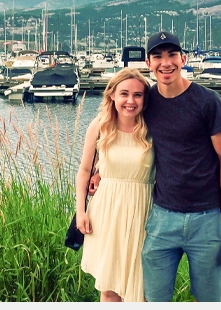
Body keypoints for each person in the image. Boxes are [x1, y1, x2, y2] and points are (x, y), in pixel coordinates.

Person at [90, 31, 221, 302]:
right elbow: (126, 134)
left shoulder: (209, 102)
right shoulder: (147, 102)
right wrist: (102, 171)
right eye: (158, 56)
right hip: (161, 217)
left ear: (183, 59)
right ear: (149, 63)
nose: (165, 62)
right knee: (152, 298)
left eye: (172, 55)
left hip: (206, 218)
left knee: (209, 299)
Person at [75, 67, 155, 302]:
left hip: (143, 213)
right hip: (107, 212)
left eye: (138, 95)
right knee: (110, 289)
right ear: (112, 95)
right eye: (124, 94)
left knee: (140, 290)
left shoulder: (153, 128)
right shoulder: (100, 126)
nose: (130, 101)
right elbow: (84, 171)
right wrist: (81, 211)